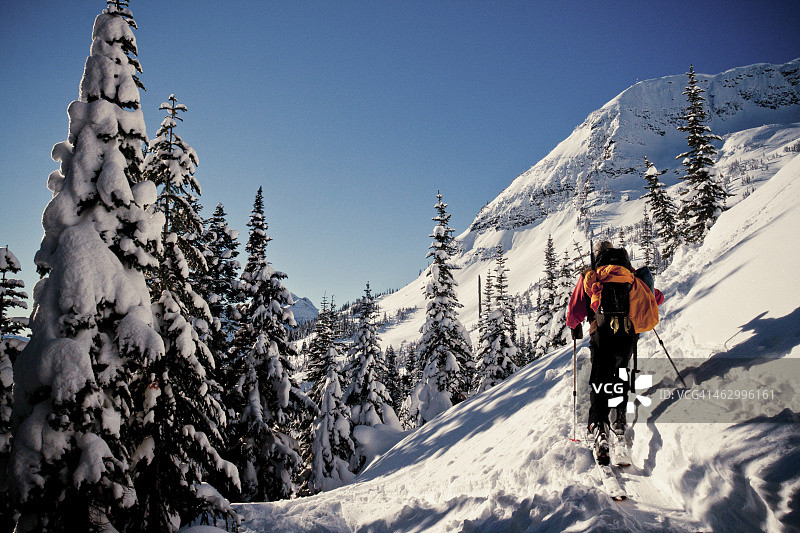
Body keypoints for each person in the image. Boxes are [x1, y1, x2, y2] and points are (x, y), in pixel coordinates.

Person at [566, 241, 664, 466]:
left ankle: (598, 427)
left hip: (601, 333)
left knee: (600, 378)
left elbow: (575, 310)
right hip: (627, 335)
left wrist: (574, 326)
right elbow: (656, 297)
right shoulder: (629, 276)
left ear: (597, 256)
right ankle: (618, 421)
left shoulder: (591, 275)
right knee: (621, 373)